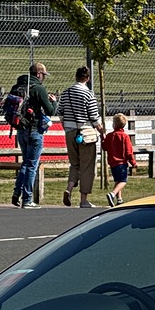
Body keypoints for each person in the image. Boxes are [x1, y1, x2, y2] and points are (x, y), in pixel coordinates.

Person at [10, 62, 56, 208]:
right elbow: (50, 111)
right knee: (32, 165)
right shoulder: (38, 89)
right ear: (38, 74)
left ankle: (17, 193)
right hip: (34, 130)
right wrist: (53, 102)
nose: (44, 78)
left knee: (25, 162)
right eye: (43, 75)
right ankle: (27, 199)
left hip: (20, 129)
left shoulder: (17, 87)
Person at [58, 65, 101, 208]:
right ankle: (83, 200)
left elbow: (61, 113)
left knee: (74, 164)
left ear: (75, 77)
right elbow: (94, 116)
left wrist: (67, 127)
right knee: (87, 166)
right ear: (87, 78)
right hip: (85, 133)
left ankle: (69, 188)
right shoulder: (88, 94)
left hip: (70, 132)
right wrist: (101, 131)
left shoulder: (65, 93)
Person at [103, 112, 137, 206]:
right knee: (123, 181)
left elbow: (104, 147)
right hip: (121, 163)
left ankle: (119, 199)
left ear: (114, 124)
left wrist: (103, 138)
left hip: (112, 163)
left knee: (117, 180)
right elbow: (128, 151)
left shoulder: (110, 136)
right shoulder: (125, 136)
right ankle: (113, 194)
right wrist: (133, 162)